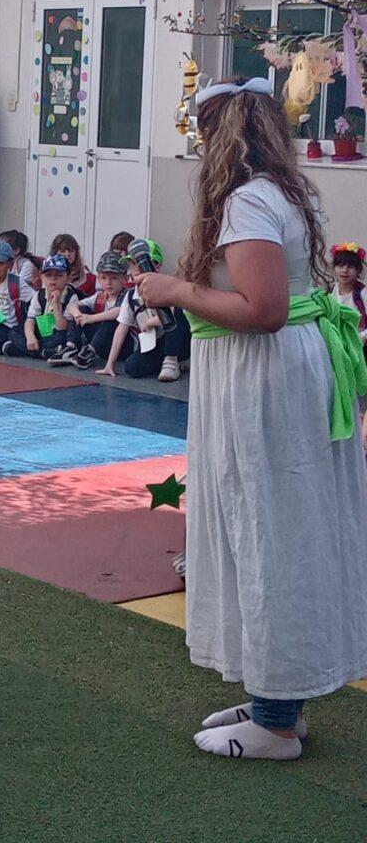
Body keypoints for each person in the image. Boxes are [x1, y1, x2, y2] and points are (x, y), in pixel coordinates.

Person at [134, 76, 367, 761]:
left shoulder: (247, 202)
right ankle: (278, 698)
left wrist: (176, 290)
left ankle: (275, 720)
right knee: (277, 525)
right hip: (283, 376)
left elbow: (263, 310)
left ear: (220, 135)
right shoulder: (286, 193)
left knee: (266, 527)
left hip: (264, 383)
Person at [95, 240, 190, 382]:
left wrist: (151, 322)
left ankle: (172, 360)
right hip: (153, 342)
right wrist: (110, 364)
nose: (136, 267)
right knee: (132, 368)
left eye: (141, 262)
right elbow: (122, 327)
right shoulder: (130, 295)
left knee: (179, 309)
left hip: (176, 339)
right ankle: (171, 363)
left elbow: (175, 315)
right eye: (132, 263)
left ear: (156, 266)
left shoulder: (167, 286)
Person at [57, 251, 129, 369]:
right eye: (104, 278)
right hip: (104, 344)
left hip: (123, 345)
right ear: (99, 279)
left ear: (125, 278)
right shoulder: (99, 296)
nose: (108, 283)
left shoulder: (128, 295)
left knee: (112, 320)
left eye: (114, 278)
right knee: (82, 309)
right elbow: (72, 305)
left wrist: (91, 318)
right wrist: (78, 315)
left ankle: (90, 351)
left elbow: (119, 311)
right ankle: (71, 347)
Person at [12, 253, 80, 359]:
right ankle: (43, 351)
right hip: (41, 334)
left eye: (59, 275)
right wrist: (30, 336)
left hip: (58, 334)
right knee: (14, 331)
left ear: (67, 277)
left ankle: (29, 350)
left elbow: (64, 327)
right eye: (48, 275)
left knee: (62, 337)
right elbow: (30, 319)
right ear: (42, 276)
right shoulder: (39, 294)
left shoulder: (71, 296)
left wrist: (56, 304)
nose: (53, 279)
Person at [329, 242, 367, 351]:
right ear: (334, 268)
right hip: (336, 346)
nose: (345, 270)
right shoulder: (331, 292)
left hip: (358, 348)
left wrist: (361, 337)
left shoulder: (363, 293)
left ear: (358, 270)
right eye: (340, 266)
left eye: (350, 267)